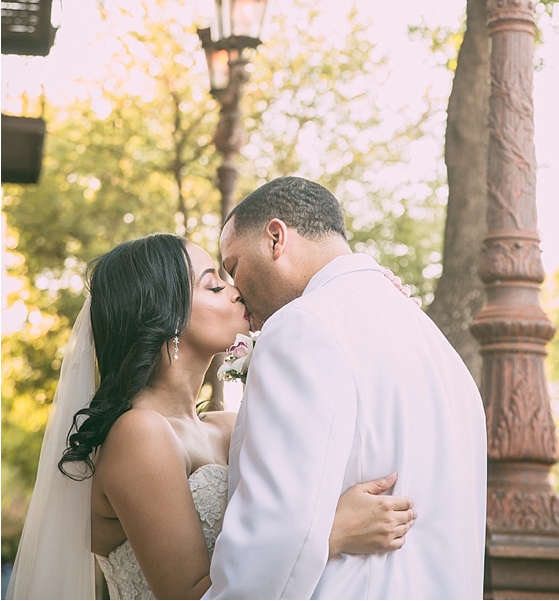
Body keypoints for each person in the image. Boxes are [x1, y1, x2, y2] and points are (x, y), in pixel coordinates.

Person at [7, 233, 416, 600]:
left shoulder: (227, 425)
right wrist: (333, 534)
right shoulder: (139, 433)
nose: (236, 291)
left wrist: (367, 309)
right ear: (165, 316)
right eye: (214, 285)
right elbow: (191, 595)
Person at [206, 176, 487, 600]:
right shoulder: (442, 352)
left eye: (234, 267)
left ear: (275, 239)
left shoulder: (304, 326)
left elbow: (275, 534)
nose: (236, 291)